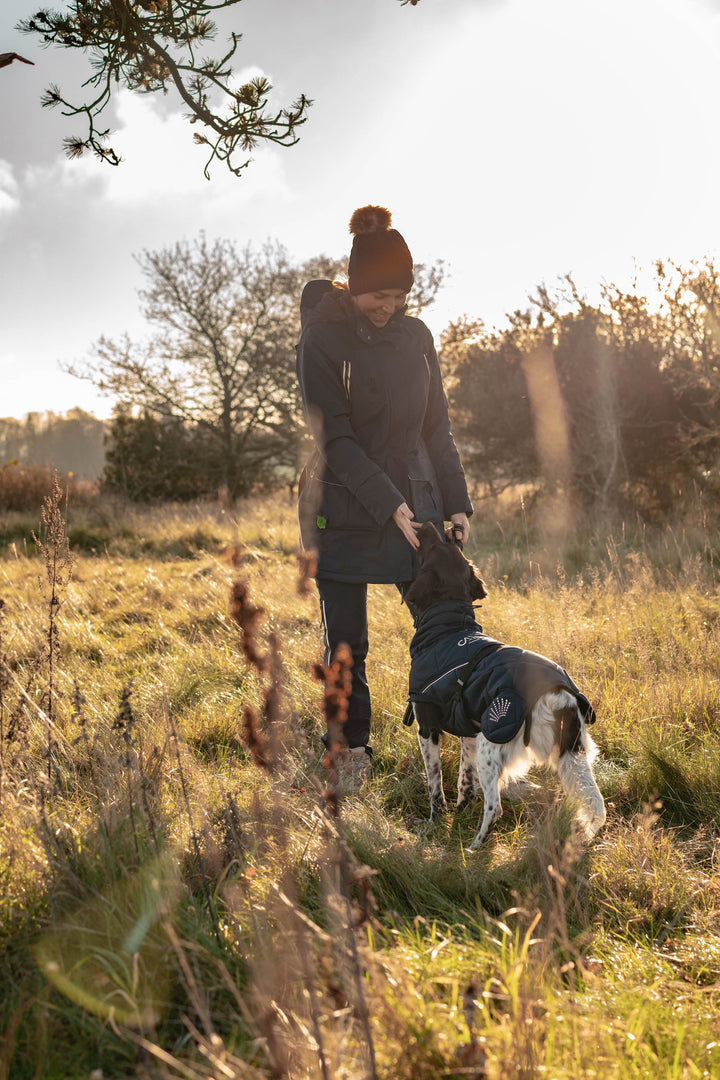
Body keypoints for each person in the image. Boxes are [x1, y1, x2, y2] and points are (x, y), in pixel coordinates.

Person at [296, 205, 473, 787]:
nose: (390, 306)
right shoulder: (322, 338)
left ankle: (473, 745)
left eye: (399, 296)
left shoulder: (417, 337)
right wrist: (388, 502)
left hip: (415, 505)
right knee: (346, 643)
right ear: (356, 286)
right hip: (342, 507)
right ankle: (349, 755)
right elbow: (336, 437)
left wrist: (455, 500)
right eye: (379, 295)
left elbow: (436, 426)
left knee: (450, 623)